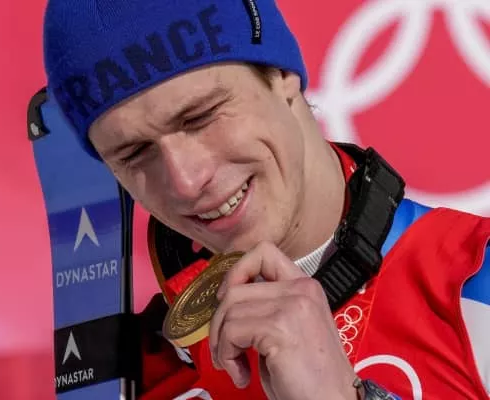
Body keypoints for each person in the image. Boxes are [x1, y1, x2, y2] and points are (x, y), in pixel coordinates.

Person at [41, 0, 490, 399]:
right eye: (135, 152)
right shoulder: (140, 375)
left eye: (200, 117)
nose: (186, 181)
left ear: (280, 74)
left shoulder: (473, 284)